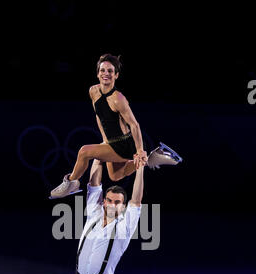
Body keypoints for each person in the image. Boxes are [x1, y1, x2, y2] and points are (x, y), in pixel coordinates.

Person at [49, 53, 182, 200]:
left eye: (110, 71)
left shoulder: (118, 99)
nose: (106, 74)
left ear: (116, 75)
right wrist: (105, 139)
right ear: (98, 73)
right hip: (112, 142)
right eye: (103, 70)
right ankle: (152, 158)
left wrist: (139, 151)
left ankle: (71, 183)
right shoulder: (93, 91)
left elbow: (134, 125)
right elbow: (99, 117)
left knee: (84, 151)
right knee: (115, 176)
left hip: (125, 143)